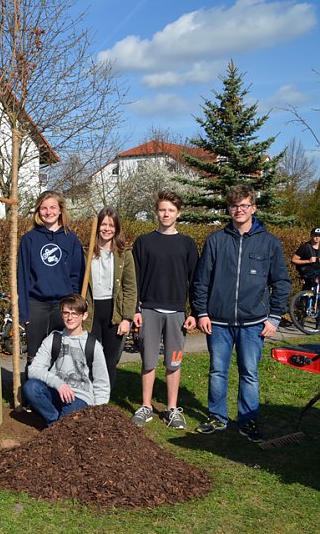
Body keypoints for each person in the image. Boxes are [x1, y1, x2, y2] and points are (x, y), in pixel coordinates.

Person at [192, 185, 291, 443]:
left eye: (245, 205)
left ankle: (248, 421)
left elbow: (281, 281)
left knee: (249, 373)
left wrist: (275, 317)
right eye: (235, 206)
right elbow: (201, 280)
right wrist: (201, 312)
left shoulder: (269, 242)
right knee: (217, 371)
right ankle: (217, 416)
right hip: (219, 322)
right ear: (229, 209)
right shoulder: (216, 240)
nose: (239, 210)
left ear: (253, 208)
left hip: (254, 323)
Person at [131, 190, 198, 430]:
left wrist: (194, 313)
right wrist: (135, 309)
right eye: (162, 210)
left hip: (177, 313)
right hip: (148, 310)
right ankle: (146, 406)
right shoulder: (143, 242)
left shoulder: (187, 244)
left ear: (178, 213)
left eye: (170, 210)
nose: (166, 214)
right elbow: (135, 279)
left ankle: (172, 409)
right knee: (148, 360)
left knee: (173, 362)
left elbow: (195, 281)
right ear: (156, 212)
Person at [18, 191, 85, 379]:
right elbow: (22, 276)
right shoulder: (29, 239)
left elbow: (76, 275)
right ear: (38, 211)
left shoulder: (70, 239)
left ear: (60, 210)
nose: (48, 212)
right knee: (35, 353)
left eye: (53, 207)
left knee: (61, 352)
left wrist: (75, 306)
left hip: (62, 304)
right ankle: (31, 395)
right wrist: (24, 311)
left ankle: (57, 394)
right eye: (44, 208)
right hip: (36, 303)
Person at [22, 294, 110, 426]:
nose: (70, 318)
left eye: (74, 314)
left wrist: (98, 413)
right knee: (31, 387)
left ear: (84, 316)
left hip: (79, 398)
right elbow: (33, 370)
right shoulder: (53, 339)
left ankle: (57, 428)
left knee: (70, 418)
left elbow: (101, 383)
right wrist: (58, 384)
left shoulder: (93, 345)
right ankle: (54, 423)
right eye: (66, 313)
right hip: (56, 392)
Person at [84, 207, 137, 391]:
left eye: (111, 225)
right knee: (90, 357)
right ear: (97, 226)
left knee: (109, 360)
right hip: (91, 311)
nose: (107, 229)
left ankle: (104, 401)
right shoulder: (87, 252)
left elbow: (130, 288)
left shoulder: (124, 253)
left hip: (114, 312)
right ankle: (89, 398)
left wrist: (127, 318)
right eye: (103, 224)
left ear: (117, 228)